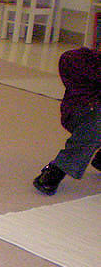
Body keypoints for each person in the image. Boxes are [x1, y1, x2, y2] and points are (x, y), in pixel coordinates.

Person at [33, 47, 100, 195]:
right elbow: (67, 60)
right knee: (98, 124)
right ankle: (58, 168)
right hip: (84, 113)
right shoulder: (82, 59)